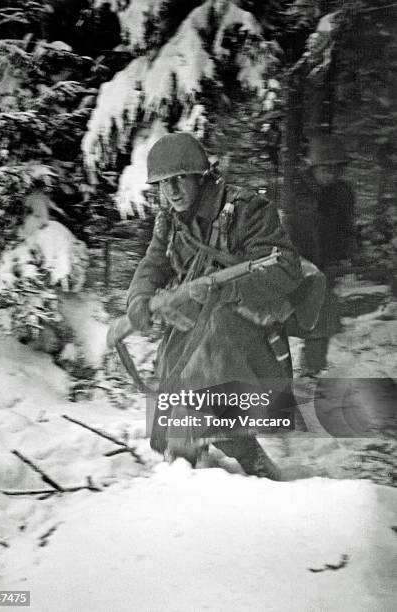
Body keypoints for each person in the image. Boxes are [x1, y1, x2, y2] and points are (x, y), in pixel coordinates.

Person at [127, 132, 303, 479]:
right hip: (195, 330)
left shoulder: (247, 209)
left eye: (179, 180)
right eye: (163, 183)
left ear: (200, 176)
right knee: (180, 397)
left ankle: (217, 472)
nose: (172, 191)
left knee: (205, 386)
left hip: (245, 330)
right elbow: (153, 265)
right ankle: (202, 468)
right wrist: (138, 297)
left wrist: (226, 290)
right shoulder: (169, 222)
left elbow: (285, 267)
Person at [285, 134, 356, 375]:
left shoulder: (343, 193)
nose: (332, 174)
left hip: (328, 267)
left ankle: (312, 372)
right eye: (326, 168)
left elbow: (347, 228)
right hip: (297, 265)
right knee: (278, 322)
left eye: (337, 168)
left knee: (322, 322)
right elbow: (293, 230)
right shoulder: (298, 192)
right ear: (314, 167)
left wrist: (345, 256)